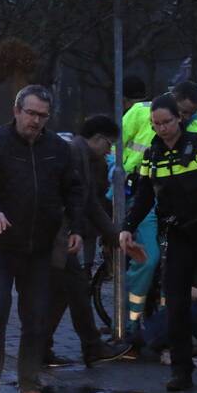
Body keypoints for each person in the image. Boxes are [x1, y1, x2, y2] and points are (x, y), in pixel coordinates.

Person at [0, 85, 84, 393]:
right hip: (0, 246)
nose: (35, 121)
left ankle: (30, 385)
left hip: (40, 248)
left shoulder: (58, 149)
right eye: (30, 113)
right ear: (16, 111)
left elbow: (74, 190)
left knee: (35, 319)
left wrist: (75, 228)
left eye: (42, 116)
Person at [120, 93, 197, 391]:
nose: (161, 129)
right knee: (175, 303)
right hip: (178, 235)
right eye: (156, 124)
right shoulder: (153, 154)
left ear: (179, 119)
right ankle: (181, 370)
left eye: (166, 122)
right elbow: (145, 196)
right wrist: (127, 227)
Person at [44, 115, 131, 367]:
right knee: (76, 289)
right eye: (109, 144)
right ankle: (91, 346)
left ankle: (42, 347)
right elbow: (80, 201)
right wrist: (80, 232)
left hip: (62, 235)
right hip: (61, 236)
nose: (109, 151)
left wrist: (114, 236)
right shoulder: (75, 154)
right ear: (98, 138)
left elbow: (88, 201)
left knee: (64, 293)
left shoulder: (81, 154)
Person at [119, 77, 197, 334]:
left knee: (174, 263)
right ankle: (127, 326)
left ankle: (165, 328)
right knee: (148, 259)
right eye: (183, 111)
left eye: (189, 113)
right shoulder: (139, 112)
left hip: (172, 200)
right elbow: (118, 143)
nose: (185, 117)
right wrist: (121, 171)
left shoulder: (195, 126)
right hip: (139, 191)